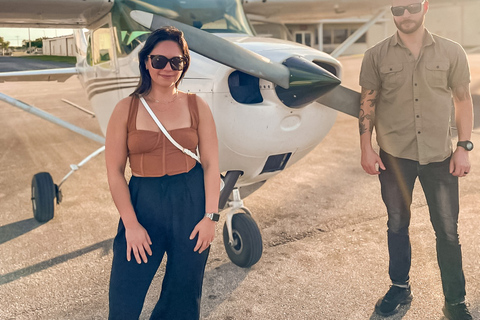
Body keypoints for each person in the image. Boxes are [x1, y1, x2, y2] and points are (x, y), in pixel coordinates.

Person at [359, 0, 474, 319]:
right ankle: (400, 287)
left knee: (448, 231)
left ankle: (454, 299)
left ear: (425, 7)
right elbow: (367, 103)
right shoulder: (375, 55)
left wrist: (463, 146)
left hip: (440, 157)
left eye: (411, 7)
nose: (405, 15)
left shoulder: (452, 51)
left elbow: (462, 100)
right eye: (398, 9)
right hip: (394, 157)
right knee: (396, 224)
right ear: (391, 12)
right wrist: (365, 148)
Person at [105, 26, 220, 319]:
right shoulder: (125, 109)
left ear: (184, 64)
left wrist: (210, 217)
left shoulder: (197, 105)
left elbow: (210, 164)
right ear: (146, 62)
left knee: (183, 296)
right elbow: (115, 171)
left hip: (191, 202)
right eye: (159, 60)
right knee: (124, 296)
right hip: (144, 201)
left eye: (176, 61)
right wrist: (131, 225)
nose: (167, 68)